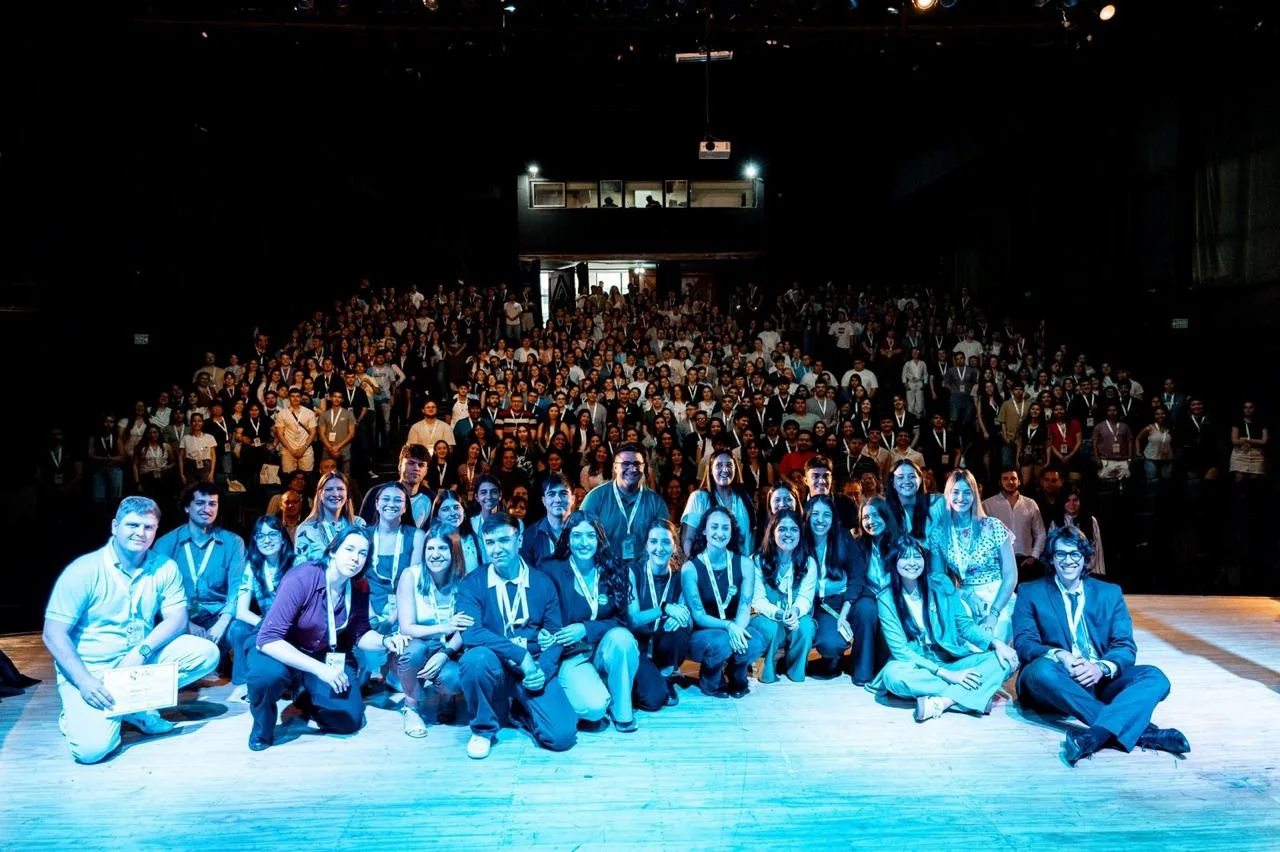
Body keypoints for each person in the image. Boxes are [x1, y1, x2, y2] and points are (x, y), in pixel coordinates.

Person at [42, 496, 220, 764]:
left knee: (206, 653)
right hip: (92, 669)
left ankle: (134, 706)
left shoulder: (164, 567)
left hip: (137, 661)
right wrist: (84, 681)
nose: (141, 533)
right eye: (133, 525)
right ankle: (80, 713)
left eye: (148, 527)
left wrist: (141, 651)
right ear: (115, 526)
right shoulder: (84, 570)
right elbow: (53, 634)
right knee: (91, 752)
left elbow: (177, 618)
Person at [1013, 525, 1190, 765]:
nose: (1068, 560)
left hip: (1098, 679)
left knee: (1155, 677)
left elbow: (1125, 646)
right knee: (1039, 670)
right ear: (1051, 559)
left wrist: (1101, 668)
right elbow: (1025, 643)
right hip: (1056, 680)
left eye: (1075, 553)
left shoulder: (1109, 593)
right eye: (1060, 554)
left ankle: (1094, 736)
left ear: (1085, 558)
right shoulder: (1031, 592)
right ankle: (1146, 733)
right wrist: (1060, 655)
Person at [247, 527, 400, 750]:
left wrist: (385, 641)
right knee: (266, 677)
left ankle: (306, 693)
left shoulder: (359, 585)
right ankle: (262, 728)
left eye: (362, 553)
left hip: (324, 651)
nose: (355, 558)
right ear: (333, 551)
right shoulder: (302, 578)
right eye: (349, 549)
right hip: (281, 647)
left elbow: (360, 633)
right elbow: (268, 639)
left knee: (347, 721)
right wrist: (320, 670)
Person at [454, 513, 577, 758]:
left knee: (562, 736)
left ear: (519, 540)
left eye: (504, 540)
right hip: (496, 664)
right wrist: (520, 655)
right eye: (490, 542)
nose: (497, 549)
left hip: (533, 668)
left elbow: (555, 635)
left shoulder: (542, 582)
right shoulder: (472, 583)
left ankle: (519, 711)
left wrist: (543, 671)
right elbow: (471, 633)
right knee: (474, 660)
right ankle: (482, 730)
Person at [870, 536, 1019, 722]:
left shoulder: (941, 584)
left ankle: (942, 702)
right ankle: (970, 697)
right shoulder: (886, 598)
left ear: (925, 560)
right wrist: (949, 675)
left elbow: (965, 626)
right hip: (916, 664)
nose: (912, 562)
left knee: (1003, 660)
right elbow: (900, 651)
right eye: (905, 557)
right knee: (893, 676)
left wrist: (996, 643)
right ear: (894, 562)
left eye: (917, 556)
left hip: (949, 657)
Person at [540, 511, 641, 732]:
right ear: (568, 539)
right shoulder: (551, 569)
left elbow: (624, 622)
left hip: (604, 649)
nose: (584, 543)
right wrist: (542, 633)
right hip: (570, 653)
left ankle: (622, 712)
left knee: (623, 639)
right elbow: (540, 613)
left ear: (599, 539)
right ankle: (592, 688)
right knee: (594, 709)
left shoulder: (614, 569)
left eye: (590, 536)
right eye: (577, 536)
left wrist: (585, 628)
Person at [151, 481, 248, 670]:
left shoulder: (233, 542)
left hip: (218, 615)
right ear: (187, 507)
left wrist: (222, 623)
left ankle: (233, 678)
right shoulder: (165, 544)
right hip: (179, 615)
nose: (207, 509)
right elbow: (157, 593)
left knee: (240, 630)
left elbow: (238, 587)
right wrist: (185, 623)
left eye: (212, 504)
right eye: (200, 503)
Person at [679, 506, 769, 697]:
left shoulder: (745, 564)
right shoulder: (690, 568)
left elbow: (744, 606)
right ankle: (710, 679)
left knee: (756, 642)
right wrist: (729, 627)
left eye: (725, 528)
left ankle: (736, 672)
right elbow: (699, 615)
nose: (720, 533)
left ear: (732, 531)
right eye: (714, 527)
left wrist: (737, 629)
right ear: (704, 530)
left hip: (735, 625)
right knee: (721, 642)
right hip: (703, 632)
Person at [394, 523, 472, 738]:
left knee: (453, 680)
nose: (435, 555)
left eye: (442, 548)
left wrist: (445, 653)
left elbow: (464, 627)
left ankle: (447, 698)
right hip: (417, 642)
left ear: (454, 551)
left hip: (450, 647)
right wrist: (445, 626)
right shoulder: (411, 575)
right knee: (413, 653)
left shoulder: (465, 580)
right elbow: (407, 627)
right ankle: (411, 707)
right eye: (430, 548)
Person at [928, 470, 1018, 644]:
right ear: (948, 495)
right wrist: (963, 594)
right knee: (964, 637)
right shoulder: (939, 533)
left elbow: (1011, 575)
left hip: (999, 596)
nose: (961, 498)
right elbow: (939, 579)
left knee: (997, 632)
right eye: (955, 492)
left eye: (967, 492)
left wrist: (993, 615)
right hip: (964, 595)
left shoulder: (993, 526)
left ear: (974, 495)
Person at [358, 482, 425, 688]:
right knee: (360, 682)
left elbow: (413, 582)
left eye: (398, 500)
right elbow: (358, 580)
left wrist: (393, 618)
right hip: (367, 609)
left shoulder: (417, 536)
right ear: (376, 504)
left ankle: (392, 669)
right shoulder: (363, 534)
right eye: (386, 499)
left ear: (405, 507)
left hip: (403, 611)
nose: (391, 504)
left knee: (400, 685)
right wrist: (370, 616)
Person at [626, 520, 693, 709]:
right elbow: (633, 619)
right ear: (646, 546)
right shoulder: (633, 572)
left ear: (674, 546)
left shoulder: (680, 576)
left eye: (666, 542)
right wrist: (664, 609)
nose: (659, 548)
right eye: (654, 541)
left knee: (681, 625)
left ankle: (666, 677)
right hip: (638, 647)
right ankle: (638, 680)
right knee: (653, 699)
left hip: (662, 646)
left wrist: (680, 618)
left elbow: (687, 617)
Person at [227, 515, 295, 700]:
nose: (266, 540)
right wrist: (266, 624)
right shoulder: (252, 567)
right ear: (255, 541)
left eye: (272, 534)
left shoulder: (297, 563)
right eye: (261, 536)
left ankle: (292, 681)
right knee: (238, 628)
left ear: (283, 538)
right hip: (266, 623)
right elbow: (241, 612)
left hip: (293, 623)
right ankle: (244, 683)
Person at [750, 509, 817, 683]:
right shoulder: (757, 561)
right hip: (765, 616)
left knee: (806, 626)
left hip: (794, 615)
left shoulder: (809, 563)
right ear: (772, 533)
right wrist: (779, 614)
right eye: (782, 529)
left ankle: (795, 669)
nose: (788, 534)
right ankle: (767, 666)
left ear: (800, 534)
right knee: (771, 627)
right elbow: (758, 600)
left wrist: (795, 611)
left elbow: (805, 598)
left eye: (794, 529)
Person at [579, 442, 668, 568]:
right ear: (615, 467)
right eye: (625, 464)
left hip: (644, 573)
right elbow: (581, 541)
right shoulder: (595, 498)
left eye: (637, 464)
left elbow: (664, 543)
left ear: (644, 467)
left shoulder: (656, 502)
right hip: (604, 572)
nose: (632, 469)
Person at [680, 449, 755, 556]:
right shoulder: (699, 498)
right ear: (711, 470)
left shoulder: (743, 498)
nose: (725, 469)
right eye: (719, 465)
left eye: (729, 465)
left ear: (735, 468)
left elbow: (752, 535)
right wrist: (695, 563)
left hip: (741, 564)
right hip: (708, 565)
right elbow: (687, 538)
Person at [294, 471, 359, 565]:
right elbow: (300, 568)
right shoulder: (306, 529)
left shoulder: (358, 523)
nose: (335, 494)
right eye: (329, 489)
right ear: (320, 494)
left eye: (340, 489)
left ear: (347, 493)